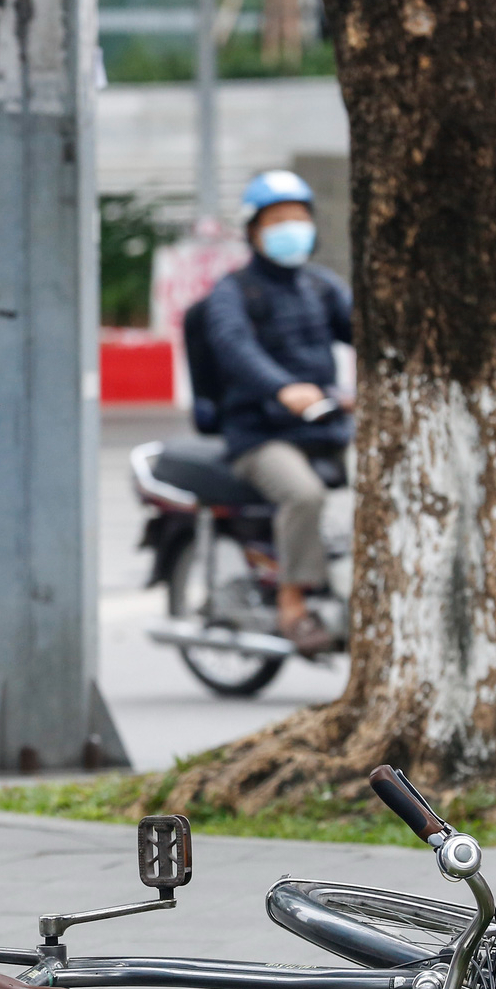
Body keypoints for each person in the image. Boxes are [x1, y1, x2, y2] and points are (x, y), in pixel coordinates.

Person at [202, 169, 353, 657]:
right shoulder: (233, 292)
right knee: (304, 495)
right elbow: (234, 348)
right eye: (277, 220)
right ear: (254, 230)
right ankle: (293, 603)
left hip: (325, 424)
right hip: (260, 435)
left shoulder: (322, 287)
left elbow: (367, 331)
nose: (292, 229)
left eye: (298, 219)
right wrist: (283, 388)